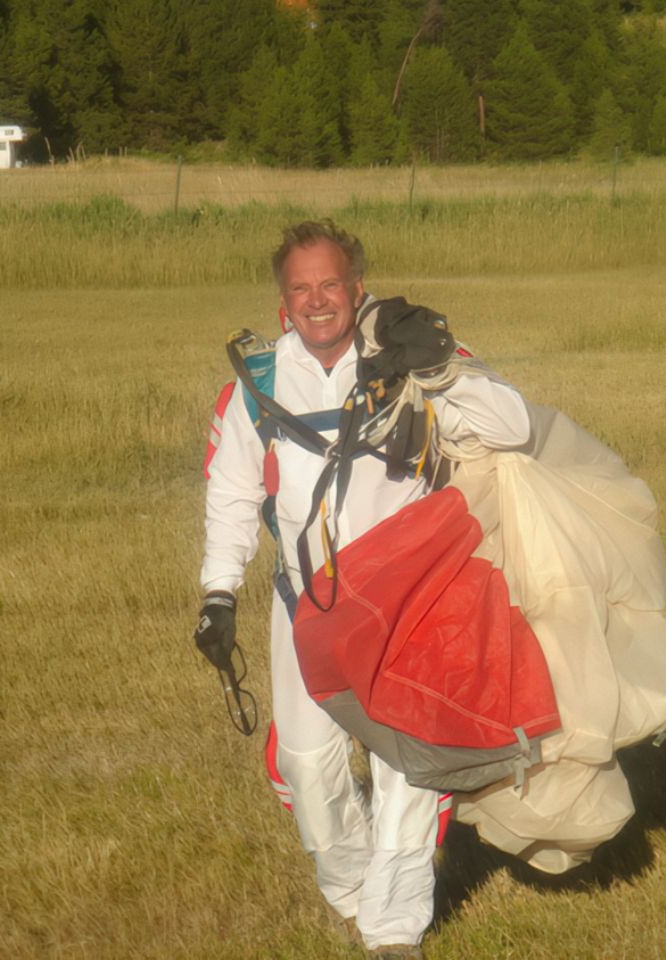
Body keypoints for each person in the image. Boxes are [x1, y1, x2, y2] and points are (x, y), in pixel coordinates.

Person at [196, 220, 531, 958]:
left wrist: (441, 365)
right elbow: (230, 495)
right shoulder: (253, 387)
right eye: (301, 289)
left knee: (408, 765)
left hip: (412, 604)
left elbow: (513, 425)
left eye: (331, 285)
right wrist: (219, 592)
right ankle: (352, 890)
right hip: (307, 605)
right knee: (309, 768)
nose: (318, 301)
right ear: (284, 304)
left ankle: (392, 930)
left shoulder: (408, 354)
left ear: (357, 289)